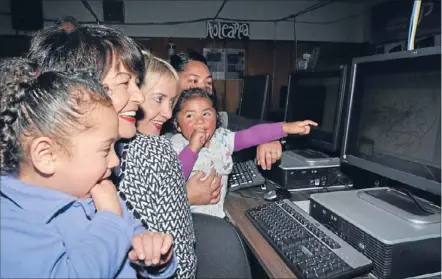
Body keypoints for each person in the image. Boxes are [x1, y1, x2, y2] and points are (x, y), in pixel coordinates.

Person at [0, 58, 176, 278]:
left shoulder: (96, 189)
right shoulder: (10, 223)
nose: (115, 161)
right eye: (105, 150)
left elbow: (134, 236)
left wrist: (153, 254)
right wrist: (111, 218)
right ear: (46, 155)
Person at [169, 88, 317, 218]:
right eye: (190, 116)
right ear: (177, 125)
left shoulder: (222, 139)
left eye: (206, 113)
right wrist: (193, 148)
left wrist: (286, 128)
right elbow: (174, 177)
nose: (200, 121)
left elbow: (252, 135)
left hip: (216, 218)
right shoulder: (176, 145)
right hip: (186, 223)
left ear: (216, 117)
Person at [117, 52, 197, 279]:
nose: (168, 113)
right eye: (158, 99)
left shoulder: (113, 150)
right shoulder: (154, 149)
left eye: (172, 102)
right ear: (134, 95)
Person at [169, 51, 283, 170]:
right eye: (193, 81)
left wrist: (270, 139)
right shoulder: (159, 133)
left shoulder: (219, 120)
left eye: (208, 83)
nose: (204, 89)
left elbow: (264, 127)